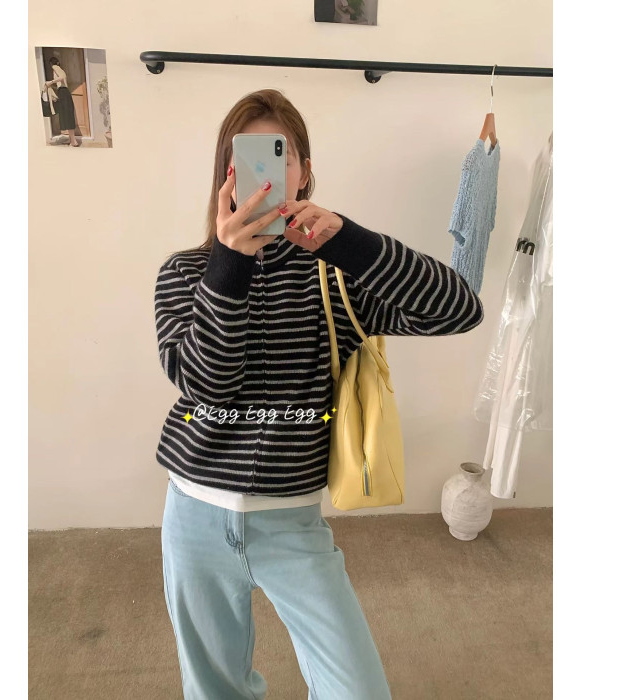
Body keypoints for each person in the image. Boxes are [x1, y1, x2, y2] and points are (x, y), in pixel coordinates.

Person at [155, 88, 484, 699]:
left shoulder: (336, 278)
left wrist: (348, 242)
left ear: (303, 171)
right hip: (194, 513)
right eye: (248, 157)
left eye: (279, 156)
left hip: (291, 521)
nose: (264, 174)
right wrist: (229, 264)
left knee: (358, 690)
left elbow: (459, 310)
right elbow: (206, 386)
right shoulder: (185, 273)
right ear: (226, 175)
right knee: (214, 689)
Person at [44, 57, 80, 147]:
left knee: (67, 116)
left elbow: (62, 78)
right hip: (64, 93)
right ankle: (71, 139)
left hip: (64, 93)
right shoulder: (60, 69)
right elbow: (61, 82)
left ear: (51, 64)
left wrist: (50, 82)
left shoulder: (55, 67)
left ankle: (74, 141)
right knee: (67, 116)